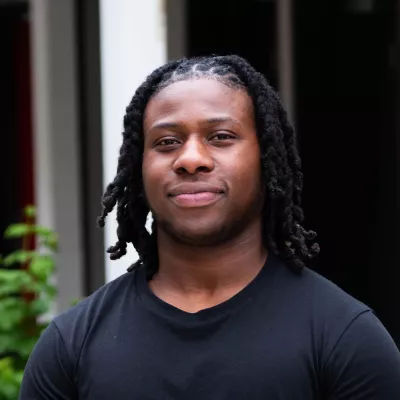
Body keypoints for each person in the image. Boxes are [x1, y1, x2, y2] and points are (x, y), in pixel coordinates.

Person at [20, 55, 400, 399]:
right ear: (139, 167)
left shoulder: (346, 339)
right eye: (167, 142)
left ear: (266, 158)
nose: (191, 159)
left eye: (221, 137)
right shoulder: (70, 345)